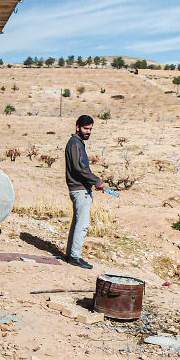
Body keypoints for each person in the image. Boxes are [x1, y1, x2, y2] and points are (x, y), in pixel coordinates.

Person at [64, 114, 105, 268]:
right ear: (78, 127)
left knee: (78, 223)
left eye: (90, 129)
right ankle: (75, 256)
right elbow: (79, 168)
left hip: (80, 188)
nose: (88, 132)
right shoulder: (75, 143)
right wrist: (97, 181)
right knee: (82, 224)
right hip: (79, 189)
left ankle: (71, 255)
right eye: (86, 128)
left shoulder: (77, 143)